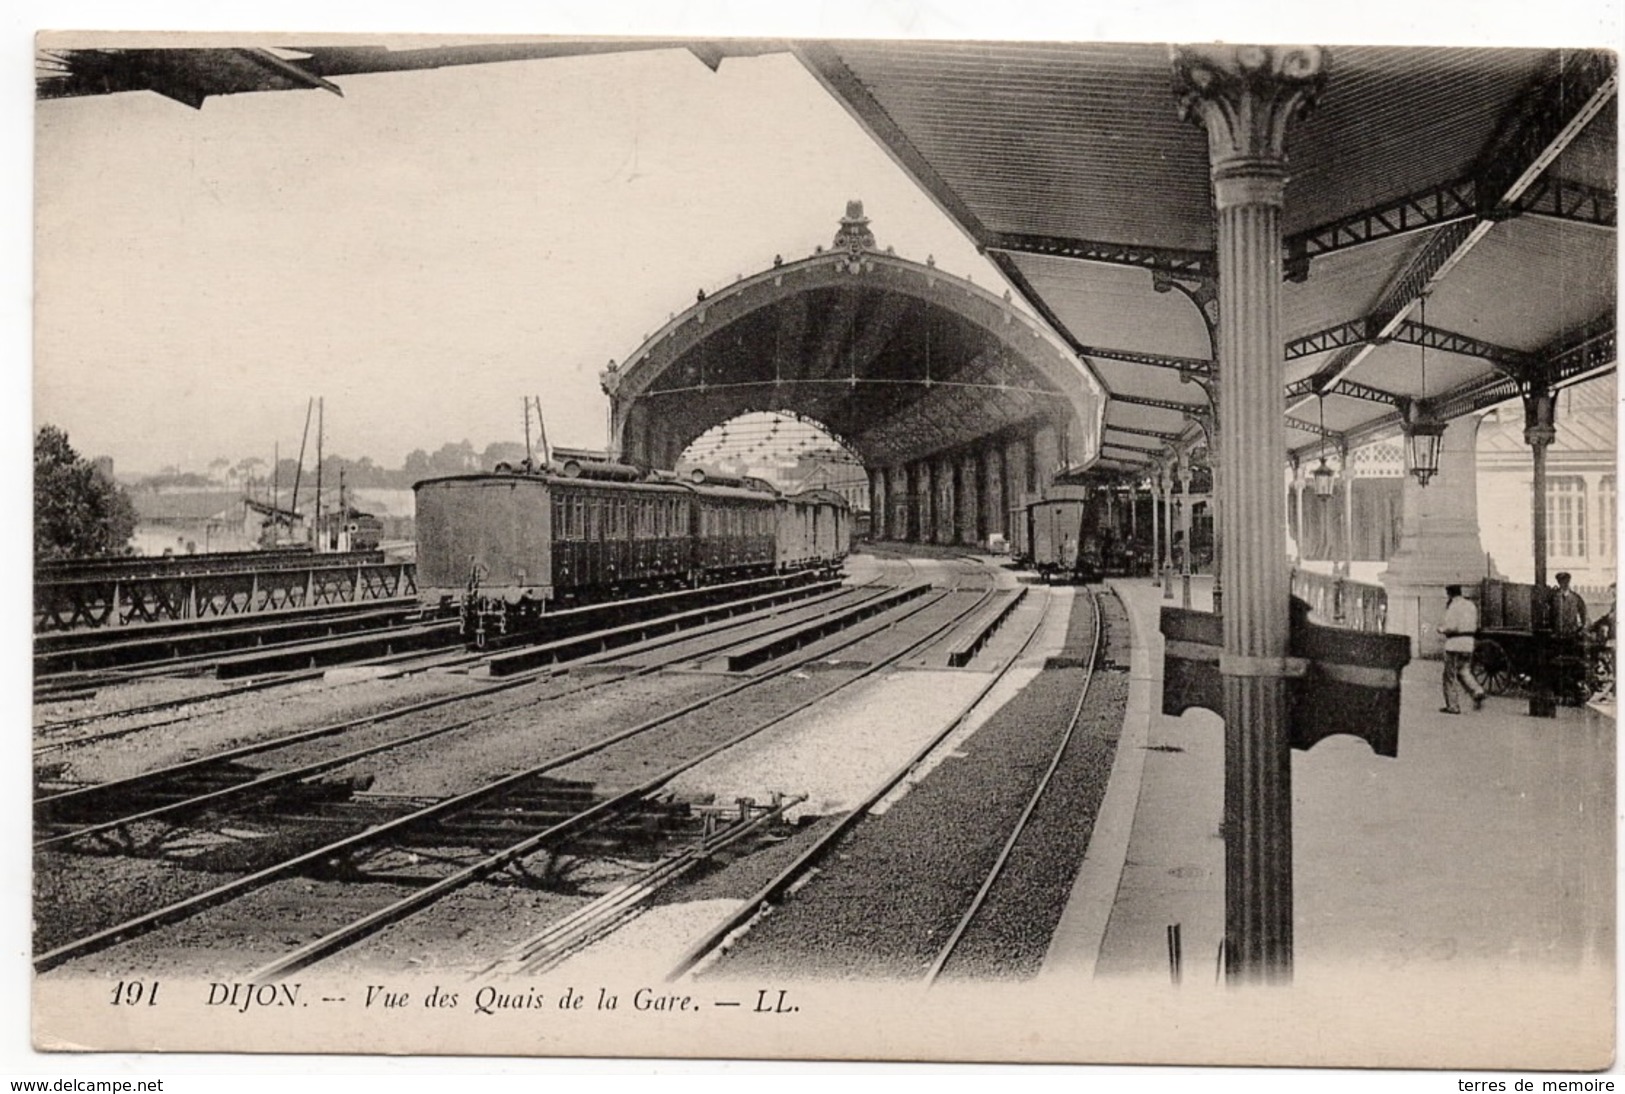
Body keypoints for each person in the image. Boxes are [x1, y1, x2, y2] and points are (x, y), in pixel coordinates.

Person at [1440, 583, 1486, 714]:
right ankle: (1477, 690)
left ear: (1449, 593)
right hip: (1468, 644)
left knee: (1449, 676)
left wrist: (1441, 629)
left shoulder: (1453, 606)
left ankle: (1452, 706)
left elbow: (1451, 626)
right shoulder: (1471, 605)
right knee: (1464, 670)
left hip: (1454, 644)